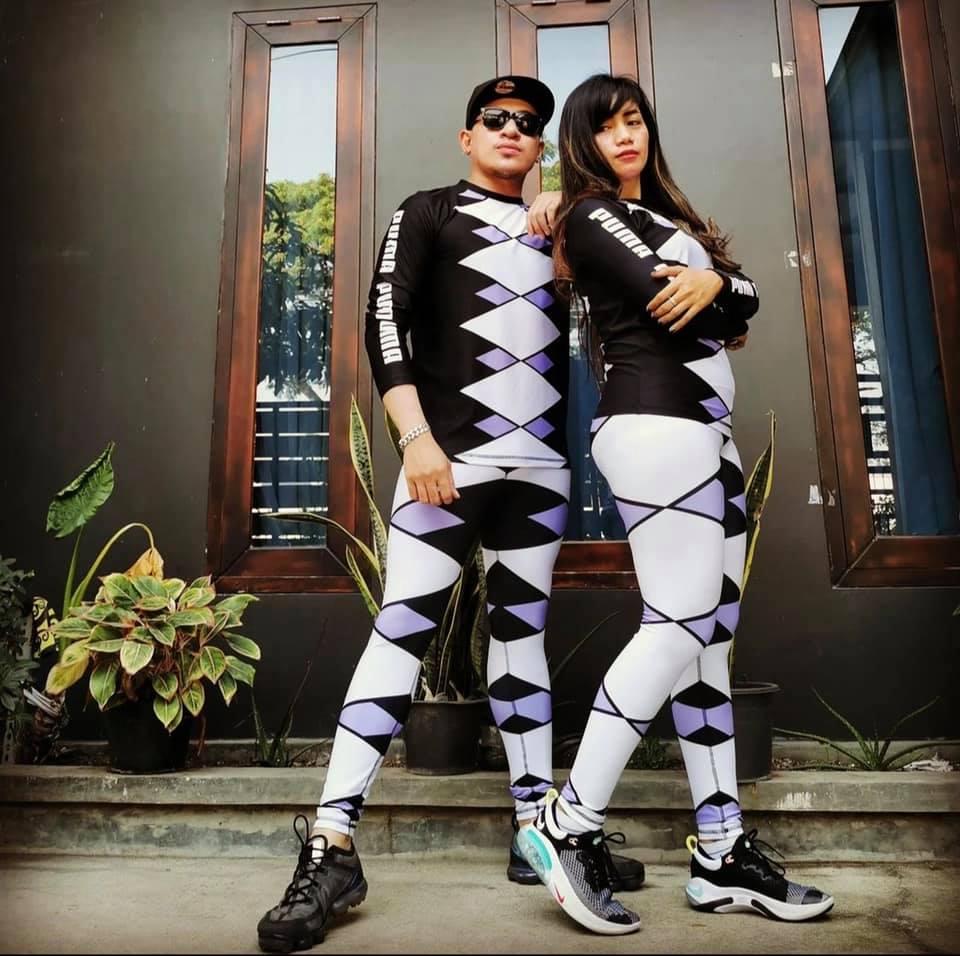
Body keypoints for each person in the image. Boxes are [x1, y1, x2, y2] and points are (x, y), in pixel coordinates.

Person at [256, 75, 642, 954]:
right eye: (494, 119)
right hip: (446, 468)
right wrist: (416, 439)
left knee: (521, 638)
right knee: (402, 629)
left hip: (540, 474)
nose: (512, 130)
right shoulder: (427, 210)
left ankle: (536, 833)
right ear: (466, 136)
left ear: (542, 147)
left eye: (529, 125)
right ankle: (331, 845)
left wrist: (574, 209)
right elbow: (383, 322)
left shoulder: (563, 224)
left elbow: (629, 279)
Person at [516, 73, 835, 935]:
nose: (627, 135)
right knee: (679, 620)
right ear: (582, 143)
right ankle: (567, 821)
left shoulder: (666, 218)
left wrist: (720, 290)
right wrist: (719, 292)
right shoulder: (590, 215)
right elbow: (678, 299)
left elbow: (742, 303)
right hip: (656, 429)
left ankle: (722, 850)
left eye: (635, 120)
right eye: (606, 126)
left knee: (708, 642)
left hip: (705, 435)